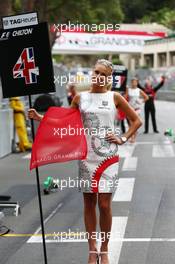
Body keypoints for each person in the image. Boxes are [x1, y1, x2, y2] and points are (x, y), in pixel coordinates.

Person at [28, 59, 142, 264]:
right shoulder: (80, 98)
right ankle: (92, 249)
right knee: (89, 202)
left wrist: (123, 138)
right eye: (95, 71)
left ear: (109, 79)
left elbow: (136, 120)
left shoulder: (114, 96)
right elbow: (64, 121)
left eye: (103, 74)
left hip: (108, 156)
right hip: (85, 155)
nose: (98, 76)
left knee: (105, 205)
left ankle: (105, 249)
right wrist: (40, 118)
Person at [125, 78, 148, 143]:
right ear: (131, 83)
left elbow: (146, 97)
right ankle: (132, 137)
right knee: (131, 125)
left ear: (137, 83)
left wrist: (141, 101)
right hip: (130, 109)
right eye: (133, 82)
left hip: (137, 109)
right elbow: (125, 97)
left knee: (135, 124)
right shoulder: (128, 89)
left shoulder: (139, 90)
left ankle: (133, 138)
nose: (134, 83)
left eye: (135, 82)